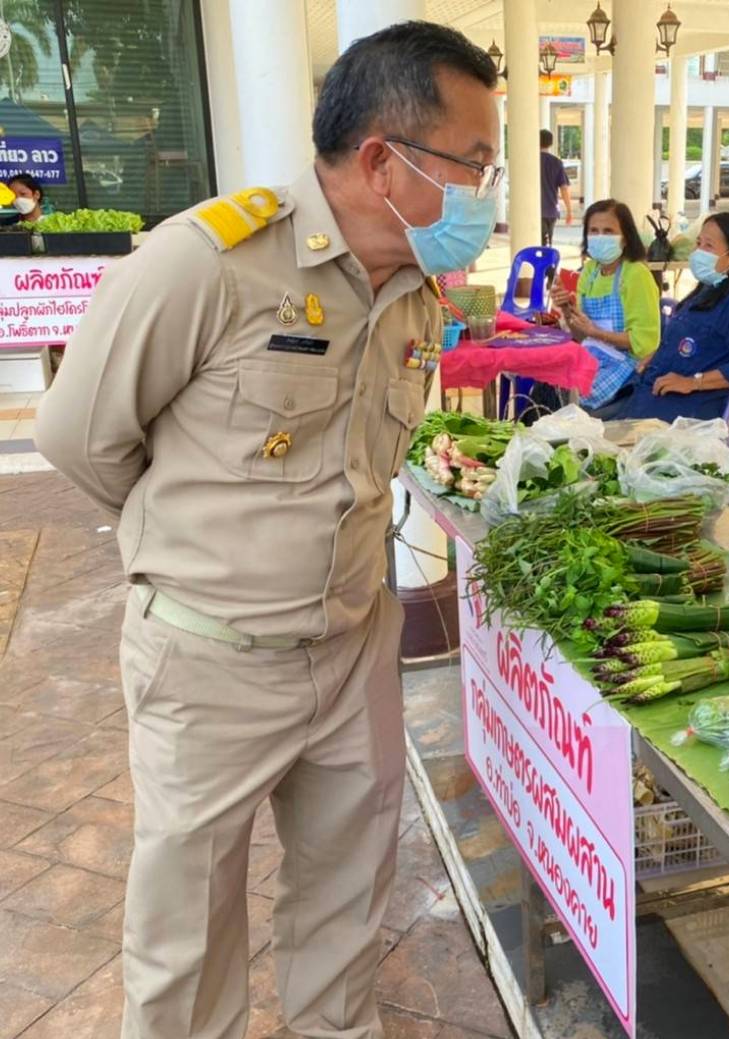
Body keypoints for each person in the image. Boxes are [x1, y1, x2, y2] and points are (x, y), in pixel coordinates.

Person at [35, 22, 501, 1037]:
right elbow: (78, 438)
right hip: (210, 658)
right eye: (474, 163)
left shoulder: (418, 292)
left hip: (351, 648)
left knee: (345, 905)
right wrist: (200, 548)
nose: (486, 191)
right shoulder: (207, 262)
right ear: (384, 160)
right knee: (186, 936)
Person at [592, 211, 729, 422]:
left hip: (681, 411)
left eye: (708, 246)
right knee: (580, 428)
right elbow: (691, 342)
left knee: (595, 441)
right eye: (698, 243)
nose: (698, 252)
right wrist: (658, 355)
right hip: (647, 392)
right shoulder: (707, 290)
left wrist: (694, 382)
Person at [549, 198, 660, 409]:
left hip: (627, 365)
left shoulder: (636, 275)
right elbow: (580, 335)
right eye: (594, 231)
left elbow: (644, 344)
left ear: (626, 238)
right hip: (592, 354)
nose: (600, 237)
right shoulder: (590, 272)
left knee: (571, 397)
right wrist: (567, 309)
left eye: (608, 231)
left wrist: (596, 333)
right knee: (547, 381)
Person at [540, 128, 572, 246]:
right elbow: (564, 188)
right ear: (551, 143)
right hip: (551, 210)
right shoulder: (556, 162)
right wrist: (569, 211)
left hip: (534, 210)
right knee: (547, 243)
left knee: (537, 244)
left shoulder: (531, 160)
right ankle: (548, 264)